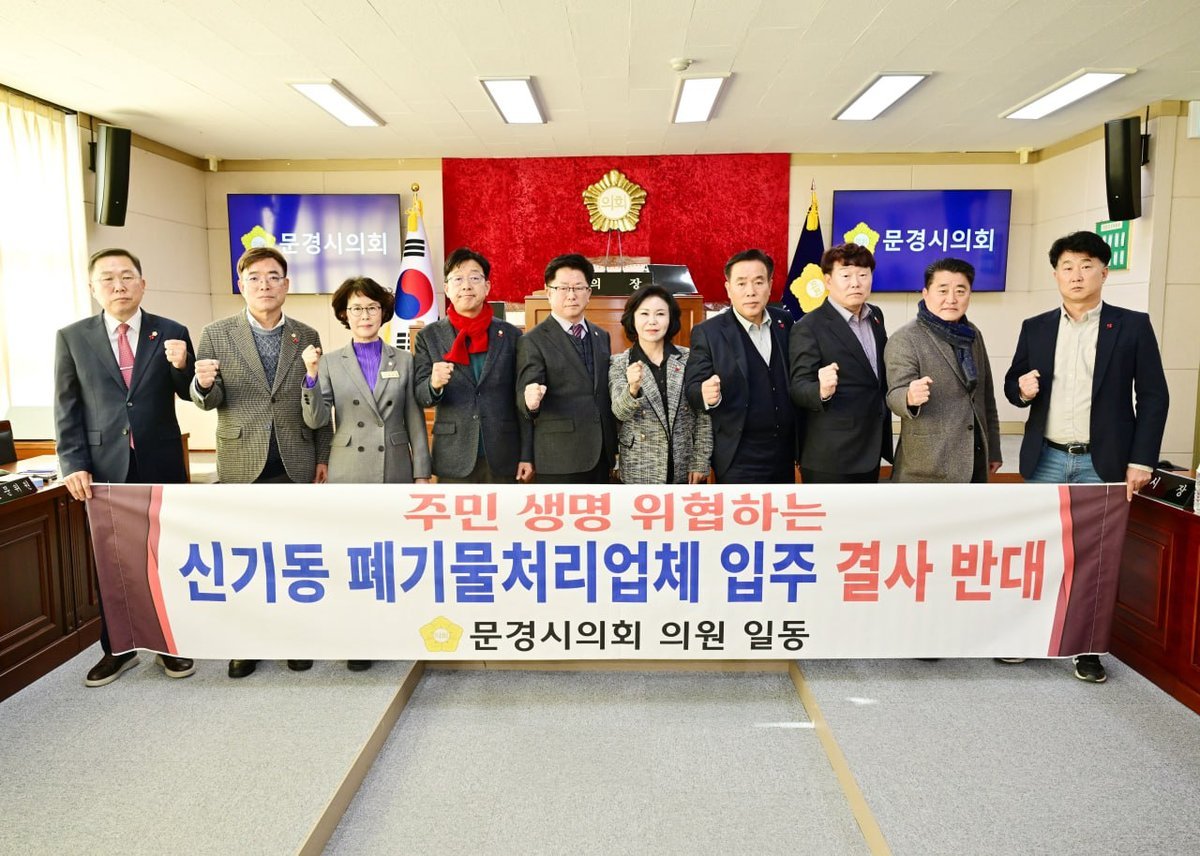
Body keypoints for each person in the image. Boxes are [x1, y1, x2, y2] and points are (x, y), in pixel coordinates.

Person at [1004, 230, 1169, 683]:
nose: (1076, 275)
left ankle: (1087, 647)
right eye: (1067, 267)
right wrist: (1021, 390)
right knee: (1037, 552)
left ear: (1104, 272)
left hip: (1104, 461)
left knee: (1095, 558)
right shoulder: (1036, 326)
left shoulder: (1131, 325)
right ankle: (1027, 637)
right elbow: (1014, 384)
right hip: (1047, 458)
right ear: (1056, 274)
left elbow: (1153, 396)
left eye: (1086, 266)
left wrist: (1142, 460)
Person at [54, 248, 197, 686]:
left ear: (142, 283)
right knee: (112, 561)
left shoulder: (171, 331)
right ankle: (118, 648)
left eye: (127, 276)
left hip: (161, 460)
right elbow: (66, 405)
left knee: (166, 553)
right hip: (103, 466)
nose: (119, 285)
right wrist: (73, 462)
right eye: (108, 278)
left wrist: (183, 365)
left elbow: (189, 391)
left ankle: (170, 644)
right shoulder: (72, 337)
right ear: (93, 288)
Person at [191, 245, 331, 679]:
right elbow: (209, 399)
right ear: (242, 285)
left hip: (295, 460)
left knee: (294, 556)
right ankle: (246, 644)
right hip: (241, 460)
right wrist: (201, 384)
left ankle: (295, 639)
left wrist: (323, 456)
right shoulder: (216, 334)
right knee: (244, 557)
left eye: (273, 277)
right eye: (254, 277)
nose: (264, 285)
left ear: (286, 284)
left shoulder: (307, 334)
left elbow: (319, 400)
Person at [413, 248, 532, 483]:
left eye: (475, 278)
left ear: (487, 287)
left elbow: (521, 398)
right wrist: (433, 384)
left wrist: (527, 454)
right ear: (447, 288)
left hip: (503, 454)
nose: (466, 286)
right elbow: (421, 396)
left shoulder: (511, 335)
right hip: (453, 456)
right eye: (458, 279)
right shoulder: (429, 336)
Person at [302, 276, 431, 486]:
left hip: (394, 465)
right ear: (344, 314)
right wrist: (311, 376)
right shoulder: (329, 362)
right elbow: (316, 420)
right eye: (356, 309)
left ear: (383, 312)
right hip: (348, 467)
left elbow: (415, 421)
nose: (365, 316)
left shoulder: (405, 360)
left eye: (372, 307)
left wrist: (422, 473)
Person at [683, 249, 797, 483]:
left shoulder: (784, 321)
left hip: (783, 451)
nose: (751, 291)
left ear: (770, 285)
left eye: (758, 282)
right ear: (728, 288)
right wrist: (705, 394)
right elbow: (693, 389)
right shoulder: (708, 332)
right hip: (738, 455)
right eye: (741, 283)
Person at [884, 258, 1002, 483]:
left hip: (974, 459)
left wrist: (993, 449)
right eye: (943, 290)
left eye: (960, 291)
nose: (951, 299)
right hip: (927, 466)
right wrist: (909, 397)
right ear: (925, 293)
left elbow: (986, 396)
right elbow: (894, 394)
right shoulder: (905, 338)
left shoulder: (972, 334)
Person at [789, 243, 892, 483]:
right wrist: (821, 390)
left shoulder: (875, 316)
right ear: (827, 281)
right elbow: (798, 387)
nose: (856, 283)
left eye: (863, 275)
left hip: (871, 445)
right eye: (845, 276)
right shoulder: (808, 327)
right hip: (831, 455)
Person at [516, 253, 616, 483]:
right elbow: (525, 400)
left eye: (579, 287)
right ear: (548, 292)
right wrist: (530, 402)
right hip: (559, 456)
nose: (572, 295)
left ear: (589, 293)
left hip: (601, 454)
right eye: (563, 288)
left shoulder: (601, 336)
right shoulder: (532, 341)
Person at [609, 285, 712, 484]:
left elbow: (703, 415)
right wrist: (632, 389)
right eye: (644, 314)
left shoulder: (689, 358)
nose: (652, 321)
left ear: (670, 318)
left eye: (660, 314)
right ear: (632, 319)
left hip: (683, 466)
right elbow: (619, 412)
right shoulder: (620, 363)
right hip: (639, 469)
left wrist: (700, 461)